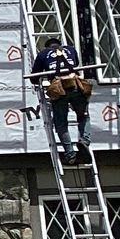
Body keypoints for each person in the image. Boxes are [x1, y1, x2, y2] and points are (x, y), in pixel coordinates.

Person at [29, 36, 91, 165]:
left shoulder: (43, 54)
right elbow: (76, 64)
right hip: (75, 85)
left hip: (59, 89)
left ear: (47, 47)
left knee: (61, 123)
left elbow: (34, 77)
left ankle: (70, 154)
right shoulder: (70, 50)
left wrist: (45, 75)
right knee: (83, 115)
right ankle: (84, 141)